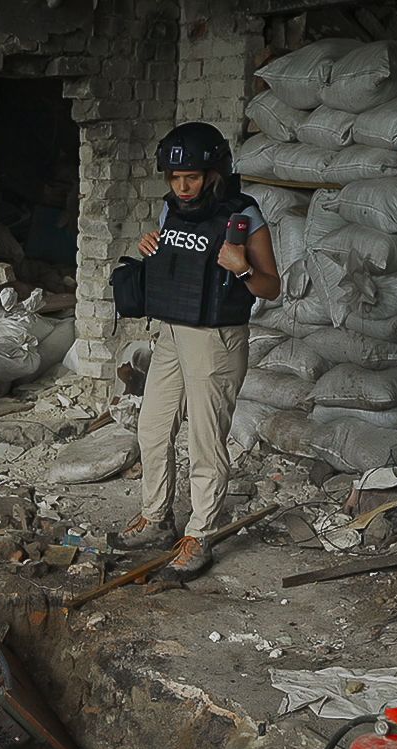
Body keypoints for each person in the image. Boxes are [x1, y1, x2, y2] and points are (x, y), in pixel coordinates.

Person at [111, 122, 281, 578]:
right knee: (152, 427)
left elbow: (272, 287)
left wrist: (243, 269)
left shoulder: (244, 214)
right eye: (174, 178)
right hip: (170, 332)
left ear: (214, 172)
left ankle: (200, 534)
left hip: (215, 340)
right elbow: (178, 264)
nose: (182, 187)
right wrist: (151, 247)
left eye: (192, 178)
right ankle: (156, 518)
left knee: (205, 442)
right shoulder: (171, 212)